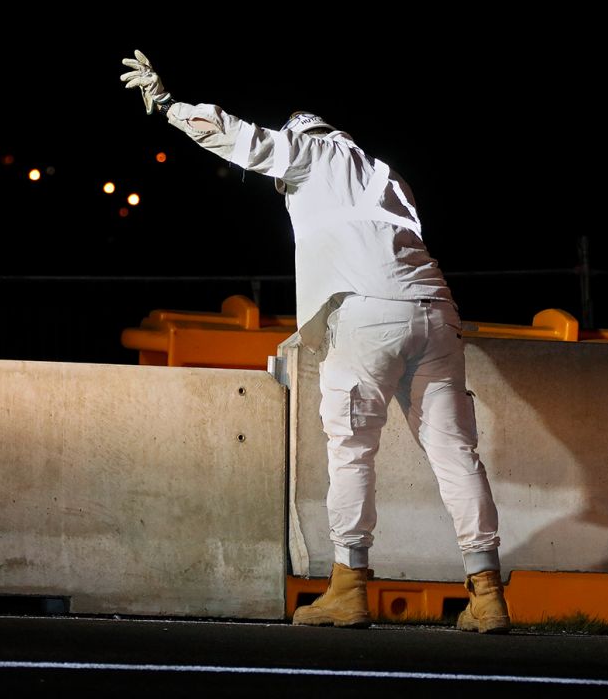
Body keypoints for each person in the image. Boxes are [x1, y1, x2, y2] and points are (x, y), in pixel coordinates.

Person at [120, 50, 510, 633]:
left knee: (352, 449)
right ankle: (488, 596)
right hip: (435, 309)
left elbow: (237, 137)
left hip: (365, 313)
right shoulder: (384, 174)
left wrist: (171, 106)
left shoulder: (312, 152)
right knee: (457, 455)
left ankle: (348, 589)